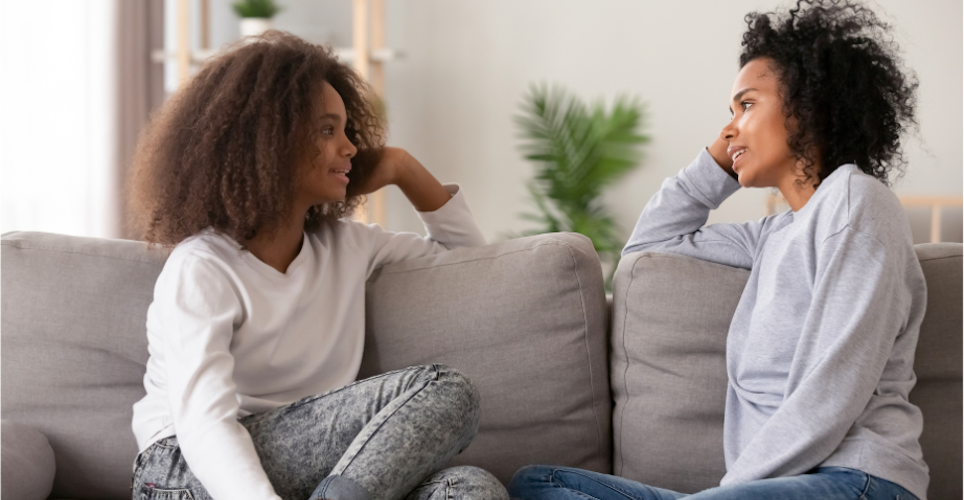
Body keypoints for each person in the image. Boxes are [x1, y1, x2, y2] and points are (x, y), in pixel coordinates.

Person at [508, 0, 927, 499]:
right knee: (540, 484)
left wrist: (729, 490)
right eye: (730, 113)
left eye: (747, 105)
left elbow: (833, 390)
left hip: (856, 479)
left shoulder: (857, 202)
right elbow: (652, 243)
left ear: (808, 107)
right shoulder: (772, 236)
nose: (729, 130)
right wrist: (719, 161)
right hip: (764, 489)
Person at [127, 31, 508, 500]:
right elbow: (205, 423)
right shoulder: (201, 267)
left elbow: (469, 264)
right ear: (267, 143)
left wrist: (401, 168)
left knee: (470, 489)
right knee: (448, 391)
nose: (350, 147)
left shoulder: (349, 245)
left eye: (347, 130)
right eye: (327, 131)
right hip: (186, 470)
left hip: (315, 469)